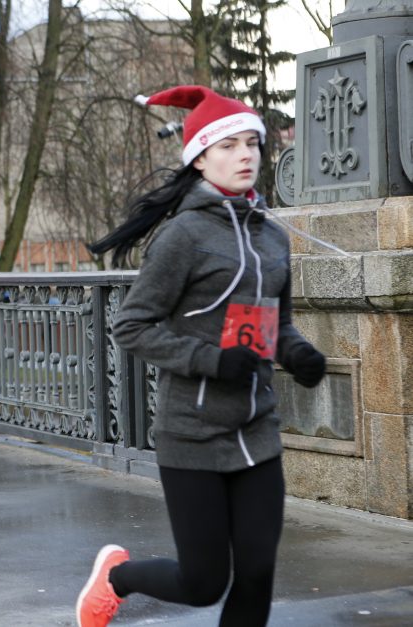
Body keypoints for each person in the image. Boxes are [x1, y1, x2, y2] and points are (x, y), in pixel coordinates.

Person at [76, 86, 328, 627]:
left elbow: (272, 326)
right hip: (191, 434)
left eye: (252, 145)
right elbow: (132, 325)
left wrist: (299, 352)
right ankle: (116, 577)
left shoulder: (272, 239)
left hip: (256, 430)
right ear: (200, 158)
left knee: (258, 572)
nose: (245, 156)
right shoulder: (184, 236)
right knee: (203, 583)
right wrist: (211, 360)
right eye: (229, 146)